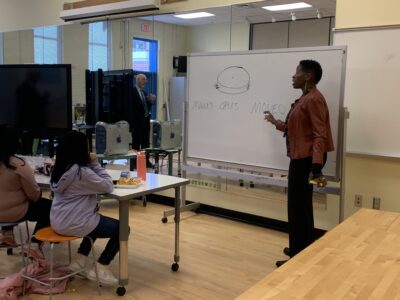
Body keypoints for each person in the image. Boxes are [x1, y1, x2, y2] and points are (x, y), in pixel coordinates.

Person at [264, 60, 334, 267]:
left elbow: (319, 135)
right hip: (302, 157)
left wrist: (316, 167)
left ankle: (299, 256)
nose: (293, 76)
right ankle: (299, 248)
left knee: (299, 207)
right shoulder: (306, 98)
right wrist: (276, 123)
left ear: (308, 76)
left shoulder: (313, 99)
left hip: (306, 160)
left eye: (297, 73)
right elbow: (296, 129)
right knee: (298, 206)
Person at [50, 131, 121, 286]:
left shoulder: (59, 169)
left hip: (57, 221)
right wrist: (95, 164)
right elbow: (108, 185)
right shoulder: (82, 173)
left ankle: (80, 261)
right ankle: (101, 267)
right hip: (74, 223)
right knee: (122, 229)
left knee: (95, 220)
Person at [0, 126, 51, 247]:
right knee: (50, 208)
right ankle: (34, 245)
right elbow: (34, 195)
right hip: (14, 212)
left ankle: (7, 234)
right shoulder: (18, 165)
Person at [130, 73, 156, 167]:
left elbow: (146, 108)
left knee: (145, 143)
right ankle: (134, 163)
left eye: (145, 79)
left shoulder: (144, 93)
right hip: (136, 123)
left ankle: (146, 162)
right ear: (138, 80)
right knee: (136, 143)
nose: (146, 81)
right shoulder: (132, 92)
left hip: (145, 122)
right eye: (144, 79)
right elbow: (131, 108)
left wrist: (151, 102)